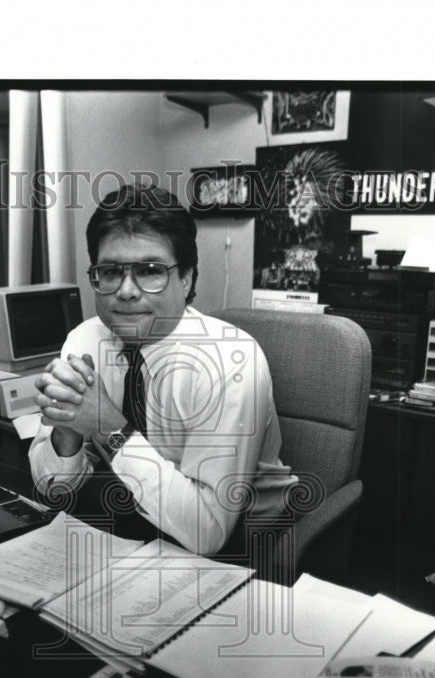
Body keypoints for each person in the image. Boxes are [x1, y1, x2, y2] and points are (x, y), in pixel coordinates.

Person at [29, 184, 297, 556]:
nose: (125, 291)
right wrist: (66, 433)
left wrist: (108, 425)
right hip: (133, 518)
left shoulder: (229, 360)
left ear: (186, 278)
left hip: (244, 542)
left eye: (149, 271)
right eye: (110, 271)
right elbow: (54, 489)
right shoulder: (84, 340)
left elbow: (209, 533)